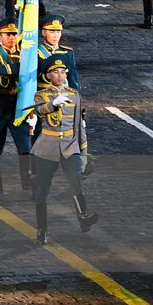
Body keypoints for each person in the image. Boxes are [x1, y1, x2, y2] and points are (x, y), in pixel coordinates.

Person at [31, 60, 97, 244]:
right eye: (56, 72)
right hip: (47, 147)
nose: (60, 76)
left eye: (62, 72)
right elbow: (39, 110)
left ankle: (83, 218)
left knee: (76, 184)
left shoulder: (74, 95)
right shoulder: (41, 94)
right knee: (42, 189)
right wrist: (53, 104)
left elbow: (79, 126)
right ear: (48, 76)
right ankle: (41, 230)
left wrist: (83, 153)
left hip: (70, 146)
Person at [0, 21, 35, 204]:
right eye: (8, 35)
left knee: (25, 148)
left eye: (14, 34)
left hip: (18, 106)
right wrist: (22, 65)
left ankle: (27, 180)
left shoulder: (25, 54)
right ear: (0, 37)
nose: (12, 38)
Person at [36, 14, 79, 91]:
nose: (56, 36)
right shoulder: (36, 51)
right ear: (43, 33)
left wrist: (75, 95)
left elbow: (72, 77)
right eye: (52, 32)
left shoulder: (67, 52)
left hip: (63, 93)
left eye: (58, 32)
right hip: (43, 94)